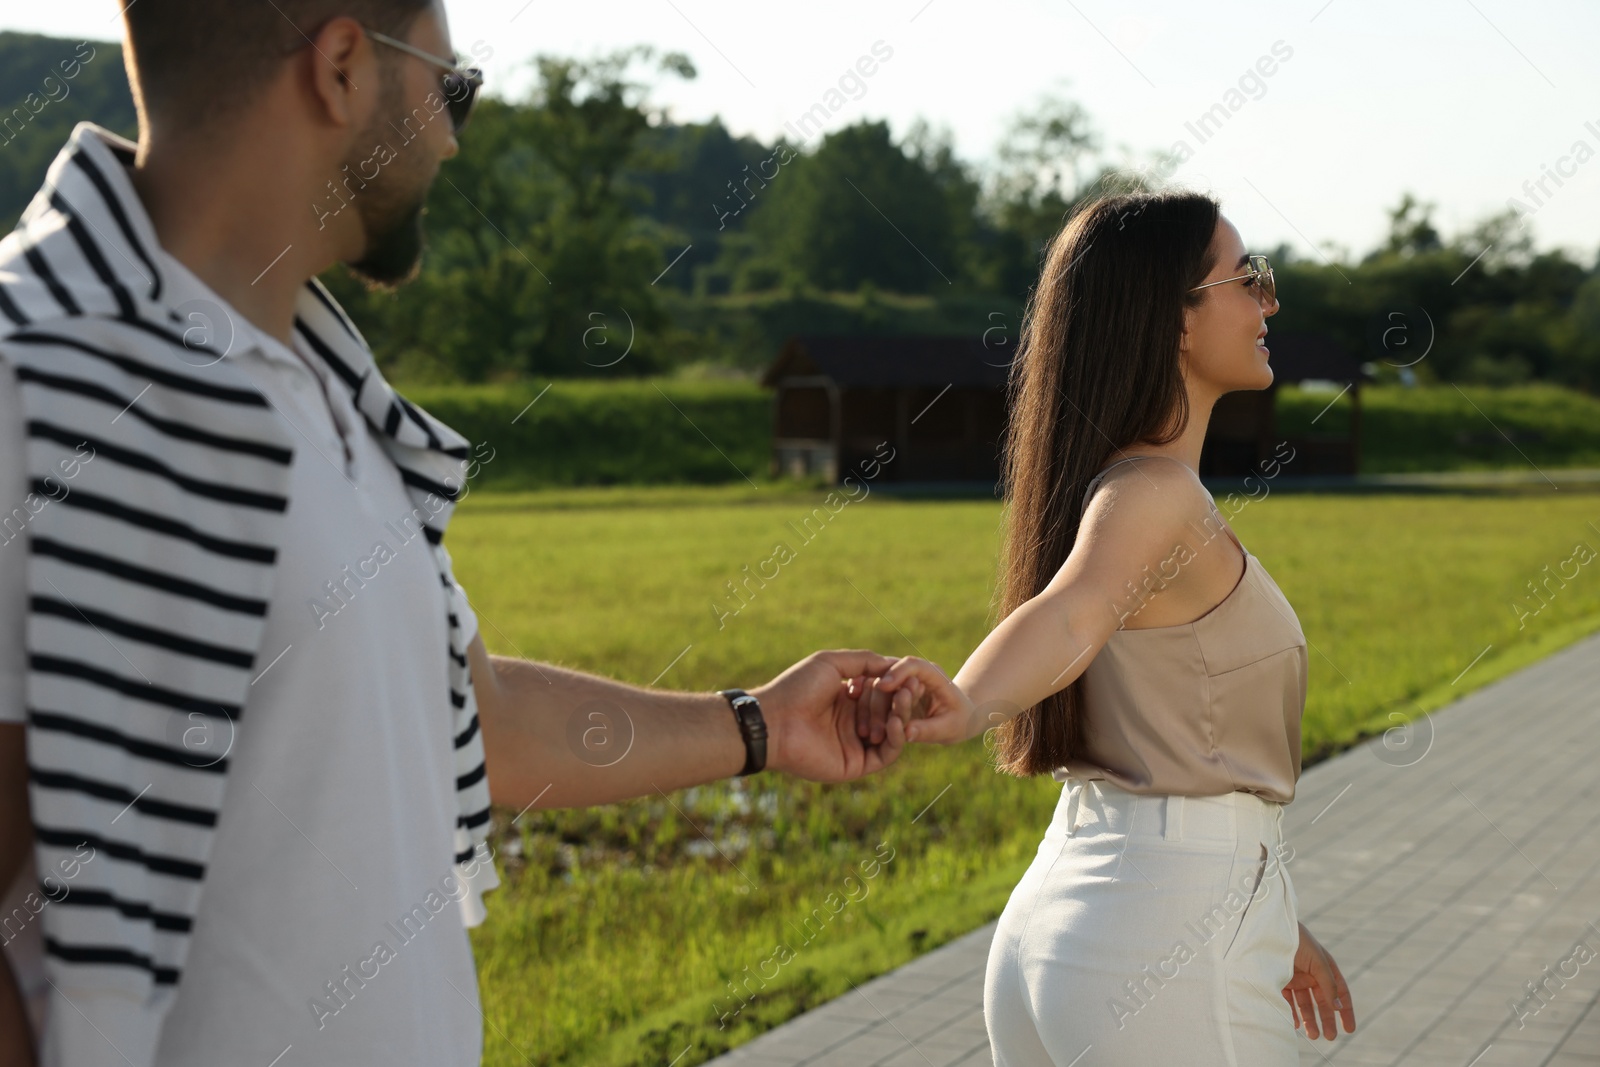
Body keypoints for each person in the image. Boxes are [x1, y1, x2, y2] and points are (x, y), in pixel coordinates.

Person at [0, 3, 908, 1065]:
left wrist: (760, 723)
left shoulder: (322, 384)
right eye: (450, 85)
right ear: (341, 70)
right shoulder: (42, 379)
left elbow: (482, 719)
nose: (450, 133)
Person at [865, 191, 1358, 1064]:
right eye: (1249, 278)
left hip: (1084, 913)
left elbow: (1164, 732)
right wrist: (970, 700)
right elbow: (1071, 612)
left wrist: (1276, 916)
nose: (1270, 301)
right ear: (1173, 319)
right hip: (1161, 934)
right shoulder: (1156, 494)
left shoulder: (1134, 489)